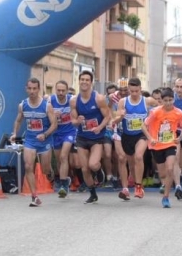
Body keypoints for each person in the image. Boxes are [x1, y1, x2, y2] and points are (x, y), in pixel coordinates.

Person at [11, 78, 58, 207]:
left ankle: (51, 173)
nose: (32, 91)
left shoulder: (46, 105)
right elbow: (18, 120)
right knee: (28, 166)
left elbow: (54, 124)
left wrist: (45, 134)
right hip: (31, 140)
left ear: (38, 89)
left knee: (45, 169)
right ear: (26, 89)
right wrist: (15, 133)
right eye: (29, 88)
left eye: (34, 89)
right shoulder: (22, 105)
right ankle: (34, 196)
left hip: (45, 140)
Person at [111, 77, 157, 201]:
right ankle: (126, 189)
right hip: (127, 135)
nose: (134, 94)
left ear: (140, 89)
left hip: (141, 135)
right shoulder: (123, 102)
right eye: (132, 91)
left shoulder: (148, 101)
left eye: (137, 91)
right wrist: (119, 117)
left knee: (138, 156)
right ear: (128, 90)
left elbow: (161, 109)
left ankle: (137, 187)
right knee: (130, 164)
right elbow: (117, 118)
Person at [69, 70, 112, 204]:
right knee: (84, 168)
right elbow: (73, 121)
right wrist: (78, 120)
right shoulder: (74, 101)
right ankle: (92, 193)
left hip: (96, 137)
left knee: (93, 164)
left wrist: (99, 127)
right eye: (82, 79)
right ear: (79, 81)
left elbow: (108, 116)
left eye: (87, 80)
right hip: (82, 137)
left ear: (91, 82)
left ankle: (99, 171)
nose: (84, 82)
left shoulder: (98, 98)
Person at [144, 88, 182, 208]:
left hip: (170, 143)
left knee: (170, 169)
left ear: (174, 99)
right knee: (163, 173)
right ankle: (165, 184)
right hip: (156, 145)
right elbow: (144, 125)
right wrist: (150, 138)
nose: (168, 103)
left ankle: (166, 197)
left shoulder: (178, 112)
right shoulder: (155, 112)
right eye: (165, 100)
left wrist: (180, 137)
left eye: (170, 100)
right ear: (161, 101)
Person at [50, 80, 77, 197]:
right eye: (58, 90)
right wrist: (52, 115)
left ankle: (63, 185)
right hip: (56, 133)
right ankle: (65, 179)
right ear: (55, 90)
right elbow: (46, 118)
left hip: (69, 132)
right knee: (59, 160)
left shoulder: (71, 100)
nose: (60, 93)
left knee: (63, 156)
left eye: (63, 90)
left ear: (67, 91)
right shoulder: (50, 101)